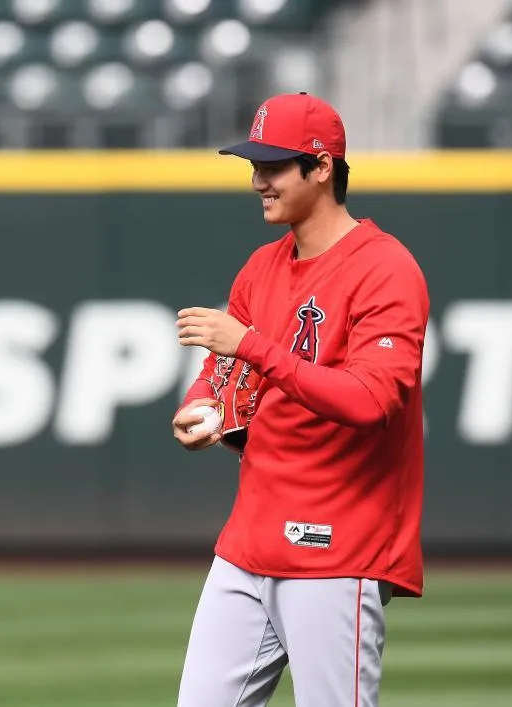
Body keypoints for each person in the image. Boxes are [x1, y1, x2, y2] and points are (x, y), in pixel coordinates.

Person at [171, 93, 429, 707]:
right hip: (247, 543)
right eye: (254, 166)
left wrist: (253, 346)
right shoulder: (261, 267)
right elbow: (223, 371)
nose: (258, 181)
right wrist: (205, 408)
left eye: (274, 166)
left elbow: (369, 401)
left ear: (322, 167)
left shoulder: (385, 269)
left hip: (338, 547)